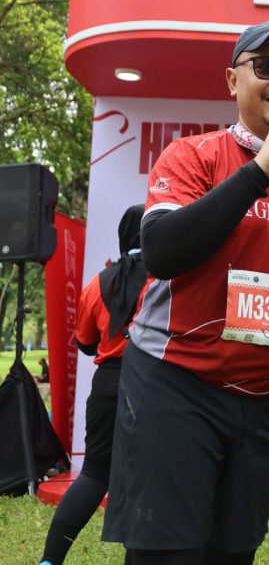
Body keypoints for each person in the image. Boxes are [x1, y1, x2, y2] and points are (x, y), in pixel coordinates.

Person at [101, 20, 269, 564]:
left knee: (234, 553)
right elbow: (161, 252)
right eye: (267, 66)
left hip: (257, 401)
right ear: (233, 81)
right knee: (170, 555)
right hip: (176, 384)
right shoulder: (193, 155)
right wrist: (259, 171)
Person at [39, 205, 145, 565]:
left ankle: (50, 560)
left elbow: (86, 343)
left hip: (108, 385)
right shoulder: (170, 279)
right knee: (153, 479)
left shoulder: (98, 284)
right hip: (157, 387)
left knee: (95, 473)